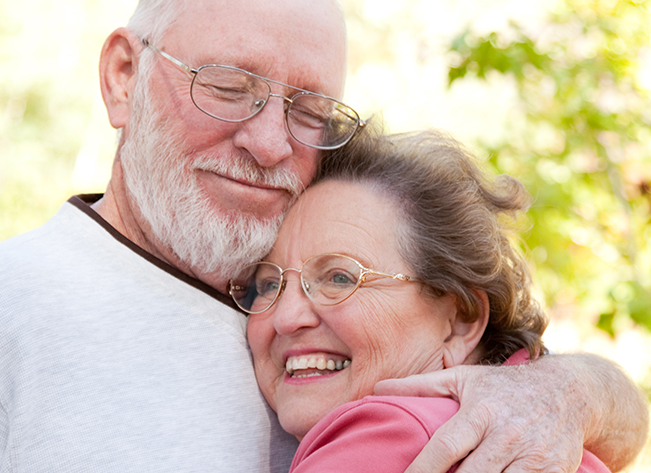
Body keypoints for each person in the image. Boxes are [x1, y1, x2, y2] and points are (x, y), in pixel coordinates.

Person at [0, 0, 648, 472]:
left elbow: (608, 416)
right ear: (121, 78)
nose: (270, 139)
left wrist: (567, 389)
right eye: (228, 85)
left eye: (308, 105)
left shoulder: (333, 323)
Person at [239, 129, 616, 472]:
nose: (286, 317)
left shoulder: (381, 438)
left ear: (460, 322)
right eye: (269, 284)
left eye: (340, 278)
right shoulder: (558, 445)